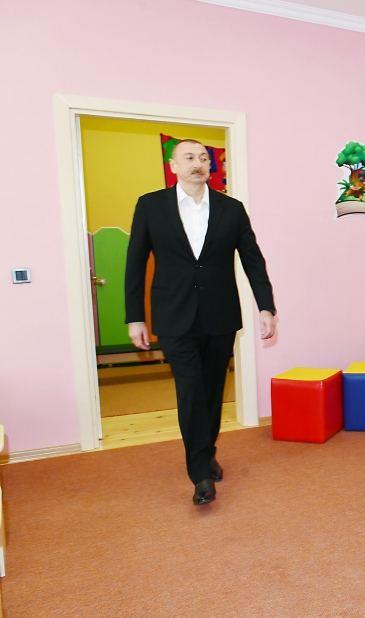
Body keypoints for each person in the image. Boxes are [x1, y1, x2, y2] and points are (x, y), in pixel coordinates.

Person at [124, 139, 276, 506]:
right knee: (191, 391)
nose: (198, 163)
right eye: (189, 157)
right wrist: (134, 317)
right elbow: (134, 263)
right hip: (173, 316)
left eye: (204, 158)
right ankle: (200, 475)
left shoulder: (231, 209)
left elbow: (253, 259)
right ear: (173, 166)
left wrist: (266, 307)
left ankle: (207, 452)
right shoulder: (150, 206)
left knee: (211, 391)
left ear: (211, 167)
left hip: (220, 315)